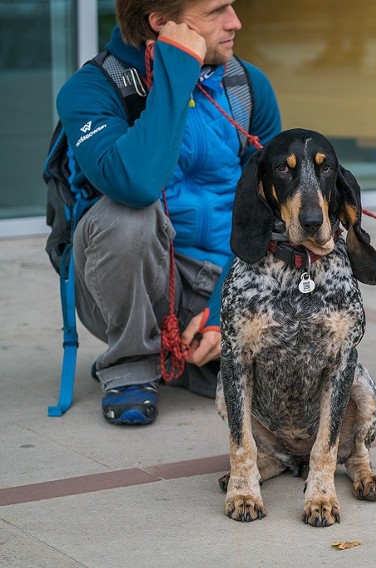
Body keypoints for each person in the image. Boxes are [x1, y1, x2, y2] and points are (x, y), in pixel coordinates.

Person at [55, 0, 281, 425]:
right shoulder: (90, 90)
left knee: (282, 394)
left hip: (225, 280)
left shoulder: (248, 86)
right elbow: (136, 184)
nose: (236, 22)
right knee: (128, 216)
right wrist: (177, 73)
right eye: (216, 11)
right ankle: (130, 366)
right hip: (131, 283)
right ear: (161, 24)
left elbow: (272, 210)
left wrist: (224, 310)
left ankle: (184, 355)